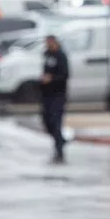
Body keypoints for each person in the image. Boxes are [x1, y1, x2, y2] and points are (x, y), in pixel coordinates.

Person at [41, 35, 70, 163]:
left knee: (56, 121)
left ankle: (59, 148)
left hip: (58, 94)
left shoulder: (61, 56)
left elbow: (65, 74)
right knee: (47, 120)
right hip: (47, 95)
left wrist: (52, 79)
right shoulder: (47, 55)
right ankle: (60, 140)